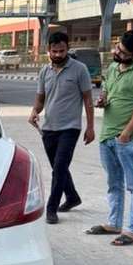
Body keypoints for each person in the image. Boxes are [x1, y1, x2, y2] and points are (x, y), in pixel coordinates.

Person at [86, 29, 133, 246]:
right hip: (107, 136)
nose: (117, 53)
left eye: (123, 52)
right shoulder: (114, 67)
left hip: (127, 140)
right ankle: (114, 223)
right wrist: (102, 100)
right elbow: (107, 91)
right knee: (113, 182)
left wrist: (126, 134)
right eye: (118, 47)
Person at [29, 31, 94, 224]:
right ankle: (72, 197)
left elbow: (88, 100)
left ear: (68, 48)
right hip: (49, 128)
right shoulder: (44, 72)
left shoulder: (79, 69)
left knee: (59, 168)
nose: (58, 54)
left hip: (70, 128)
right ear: (48, 50)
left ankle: (51, 208)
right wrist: (34, 112)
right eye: (54, 51)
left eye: (62, 50)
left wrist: (90, 127)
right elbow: (41, 98)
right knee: (60, 168)